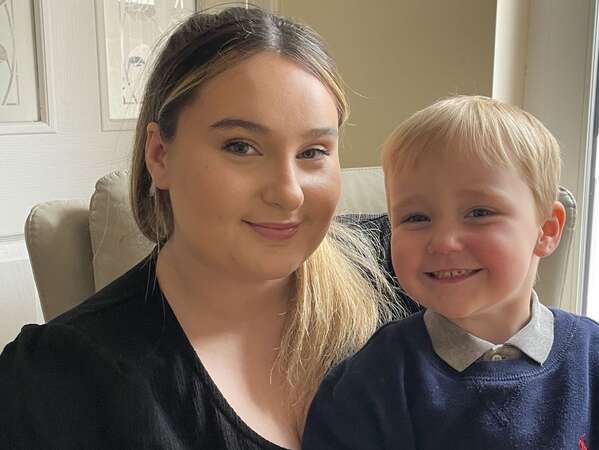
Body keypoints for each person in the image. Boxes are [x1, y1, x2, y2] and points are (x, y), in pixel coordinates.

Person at [0, 7, 403, 449]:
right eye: (241, 146)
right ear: (159, 155)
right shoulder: (60, 377)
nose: (289, 194)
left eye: (313, 152)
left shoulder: (405, 272)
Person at [302, 96, 599, 450]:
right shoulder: (374, 382)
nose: (443, 241)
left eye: (479, 213)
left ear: (546, 230)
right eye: (416, 217)